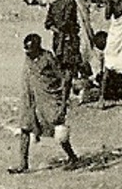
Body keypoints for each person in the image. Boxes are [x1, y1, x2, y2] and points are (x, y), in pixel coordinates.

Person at [11, 34, 80, 173]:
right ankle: (23, 164)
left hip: (48, 99)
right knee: (25, 127)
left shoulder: (48, 58)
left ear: (38, 47)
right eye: (26, 50)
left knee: (59, 130)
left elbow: (64, 79)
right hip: (30, 99)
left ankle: (72, 157)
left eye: (30, 50)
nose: (28, 53)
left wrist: (63, 104)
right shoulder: (29, 58)